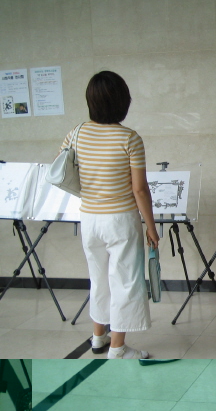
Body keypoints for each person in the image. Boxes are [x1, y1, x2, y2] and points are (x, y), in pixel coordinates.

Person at [59, 71, 159, 359]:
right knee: (125, 281)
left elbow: (63, 168)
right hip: (121, 220)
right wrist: (151, 226)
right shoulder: (129, 138)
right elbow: (139, 190)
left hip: (89, 218)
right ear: (122, 102)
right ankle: (117, 348)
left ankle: (98, 337)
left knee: (98, 278)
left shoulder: (76, 133)